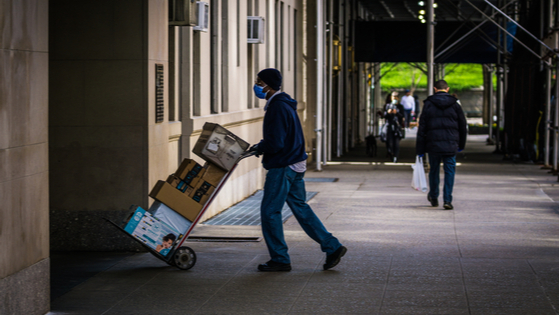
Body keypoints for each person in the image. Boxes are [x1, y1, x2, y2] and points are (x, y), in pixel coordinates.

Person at [249, 68, 347, 272]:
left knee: (270, 212)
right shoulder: (285, 104)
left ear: (268, 85)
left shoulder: (277, 107)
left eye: (259, 82)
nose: (257, 86)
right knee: (301, 208)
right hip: (295, 164)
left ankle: (280, 258)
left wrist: (261, 147)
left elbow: (275, 142)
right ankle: (332, 246)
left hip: (283, 166)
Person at [416, 80, 467, 210]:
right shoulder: (455, 105)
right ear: (447, 89)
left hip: (433, 144)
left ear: (435, 89)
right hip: (451, 144)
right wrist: (461, 144)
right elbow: (462, 126)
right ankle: (447, 200)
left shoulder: (428, 104)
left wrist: (420, 149)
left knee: (434, 170)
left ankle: (433, 196)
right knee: (450, 172)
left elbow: (422, 127)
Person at [384, 92, 405, 163]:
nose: (394, 98)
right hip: (389, 126)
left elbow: (402, 116)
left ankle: (395, 156)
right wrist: (388, 112)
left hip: (397, 127)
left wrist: (397, 113)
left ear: (398, 98)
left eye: (396, 97)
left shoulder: (400, 107)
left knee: (396, 143)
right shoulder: (388, 106)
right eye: (393, 97)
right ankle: (390, 153)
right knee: (389, 142)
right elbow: (384, 116)